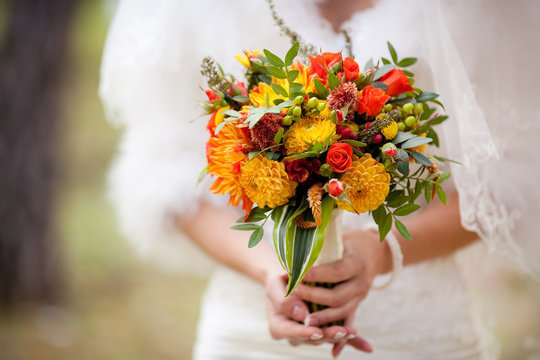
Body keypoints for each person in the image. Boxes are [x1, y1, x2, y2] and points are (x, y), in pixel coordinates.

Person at [100, 0, 540, 358]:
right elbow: (166, 176)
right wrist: (273, 270)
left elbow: (508, 179)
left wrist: (382, 250)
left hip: (418, 333)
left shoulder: (475, 11)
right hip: (250, 330)